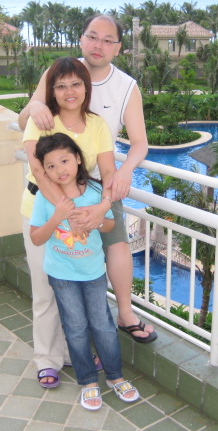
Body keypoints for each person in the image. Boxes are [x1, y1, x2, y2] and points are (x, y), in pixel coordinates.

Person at [18, 14, 158, 347]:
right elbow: (25, 120)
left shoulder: (126, 86)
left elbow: (140, 142)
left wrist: (125, 172)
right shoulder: (60, 72)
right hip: (55, 186)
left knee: (117, 244)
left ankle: (125, 314)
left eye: (108, 40)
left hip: (102, 181)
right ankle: (67, 349)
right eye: (93, 37)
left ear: (118, 48)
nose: (99, 45)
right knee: (59, 273)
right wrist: (35, 105)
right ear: (81, 39)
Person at [21, 57, 117, 388]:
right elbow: (38, 170)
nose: (69, 91)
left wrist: (101, 207)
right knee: (46, 290)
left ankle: (73, 354)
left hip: (86, 215)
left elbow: (109, 172)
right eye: (60, 86)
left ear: (86, 87)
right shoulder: (42, 121)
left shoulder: (97, 125)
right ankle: (47, 359)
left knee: (75, 287)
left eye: (75, 83)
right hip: (43, 211)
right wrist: (68, 210)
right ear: (52, 91)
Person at [30, 133, 140, 411]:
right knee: (76, 328)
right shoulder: (45, 197)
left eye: (64, 160)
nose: (59, 170)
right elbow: (36, 238)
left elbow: (110, 225)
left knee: (103, 326)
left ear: (78, 159)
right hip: (62, 276)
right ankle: (88, 381)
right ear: (44, 171)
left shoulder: (94, 191)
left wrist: (95, 220)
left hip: (93, 274)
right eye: (51, 166)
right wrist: (57, 217)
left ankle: (115, 376)